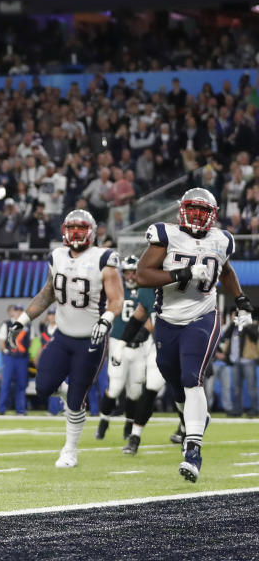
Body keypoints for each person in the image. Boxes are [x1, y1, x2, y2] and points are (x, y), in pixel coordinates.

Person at [137, 188, 254, 482]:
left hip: (203, 316)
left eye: (204, 212)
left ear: (212, 216)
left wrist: (239, 299)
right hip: (167, 319)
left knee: (193, 379)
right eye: (193, 209)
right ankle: (192, 418)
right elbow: (143, 275)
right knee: (173, 379)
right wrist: (182, 274)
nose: (198, 216)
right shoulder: (166, 235)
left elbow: (225, 270)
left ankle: (193, 450)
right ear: (182, 209)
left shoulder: (221, 239)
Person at [7, 209, 124, 468]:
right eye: (72, 228)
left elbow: (117, 300)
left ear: (91, 232)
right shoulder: (56, 256)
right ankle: (73, 396)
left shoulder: (104, 258)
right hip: (62, 336)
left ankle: (69, 450)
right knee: (43, 386)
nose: (76, 233)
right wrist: (22, 321)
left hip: (90, 339)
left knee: (75, 401)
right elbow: (47, 293)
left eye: (81, 229)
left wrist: (105, 320)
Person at [95, 255, 163, 455]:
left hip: (142, 345)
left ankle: (130, 427)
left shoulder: (147, 289)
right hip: (120, 342)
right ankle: (104, 422)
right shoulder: (117, 290)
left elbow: (150, 316)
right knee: (115, 387)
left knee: (135, 391)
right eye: (128, 272)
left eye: (134, 271)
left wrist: (145, 333)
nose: (131, 275)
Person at [0, 304, 30, 415]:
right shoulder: (7, 324)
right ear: (13, 312)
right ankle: (1, 408)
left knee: (21, 384)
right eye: (16, 310)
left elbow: (31, 341)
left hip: (22, 358)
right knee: (6, 383)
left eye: (21, 310)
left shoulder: (28, 325)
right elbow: (1, 341)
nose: (18, 312)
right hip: (10, 358)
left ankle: (20, 409)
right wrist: (6, 352)